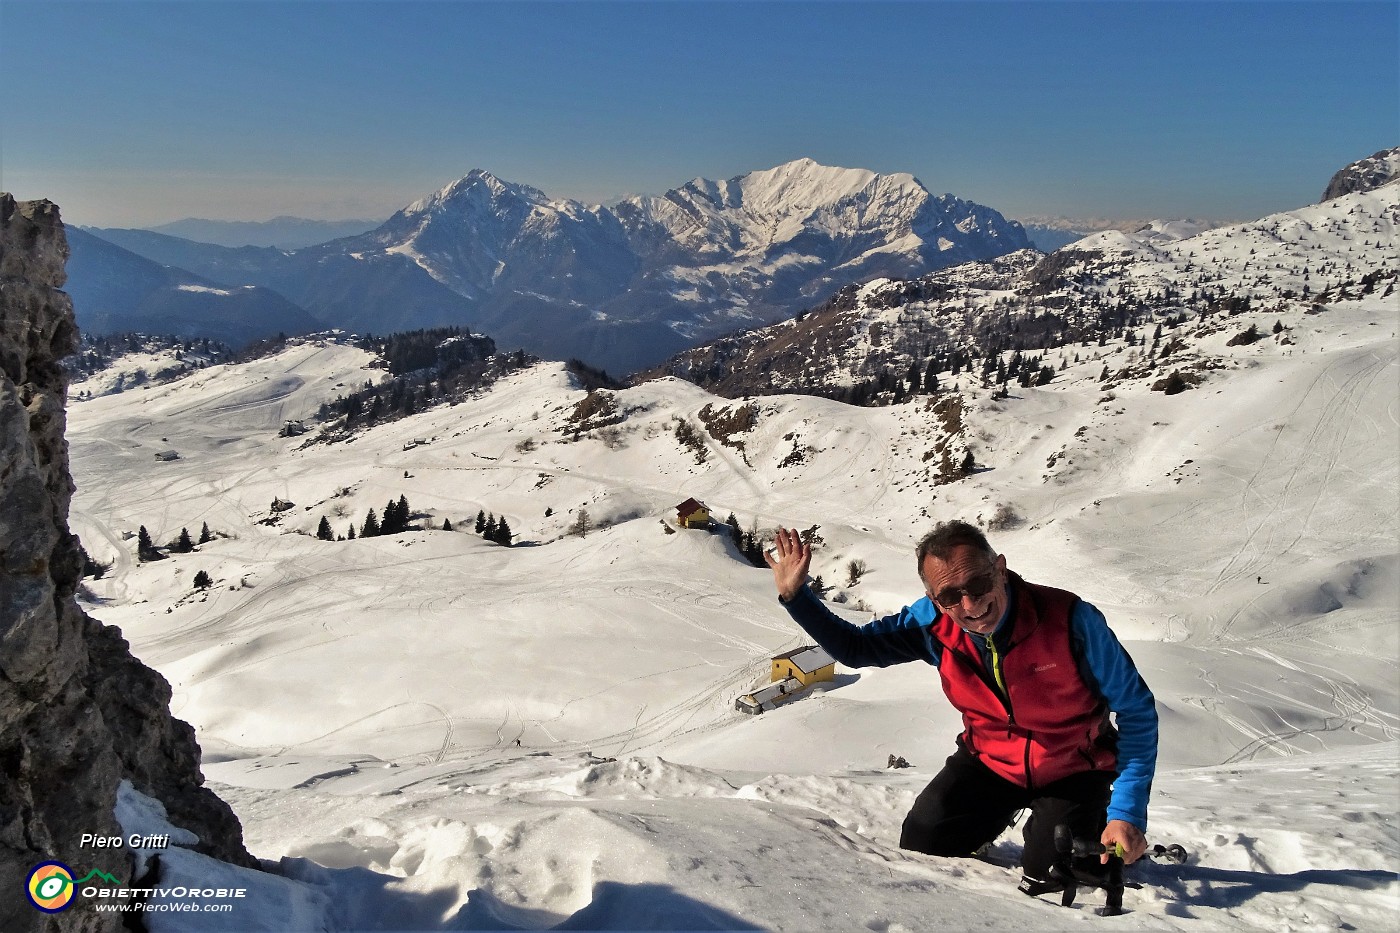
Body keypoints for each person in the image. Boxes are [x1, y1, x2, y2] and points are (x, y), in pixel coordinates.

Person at [764, 520, 1158, 894]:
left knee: (1056, 873)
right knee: (922, 842)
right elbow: (857, 648)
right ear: (934, 598)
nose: (970, 604)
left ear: (999, 569)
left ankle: (1092, 830)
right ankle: (999, 819)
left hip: (1073, 767)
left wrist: (1127, 812)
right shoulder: (930, 623)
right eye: (951, 596)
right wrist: (796, 598)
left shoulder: (1070, 620)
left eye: (979, 582)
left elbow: (1136, 711)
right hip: (988, 761)